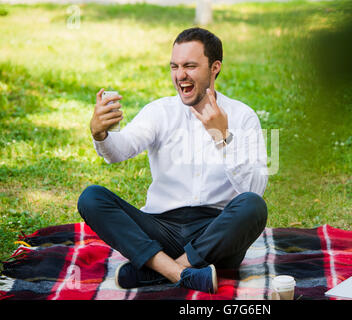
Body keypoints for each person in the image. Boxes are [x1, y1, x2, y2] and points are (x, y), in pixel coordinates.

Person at [77, 27, 268, 294]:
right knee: (91, 198)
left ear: (215, 68)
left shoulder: (243, 116)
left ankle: (153, 271)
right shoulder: (159, 111)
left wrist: (223, 137)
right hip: (160, 228)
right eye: (174, 66)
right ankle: (180, 273)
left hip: (216, 236)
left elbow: (254, 189)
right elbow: (120, 151)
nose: (180, 75)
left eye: (190, 66)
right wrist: (101, 133)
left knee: (253, 206)